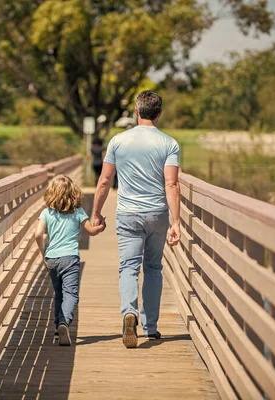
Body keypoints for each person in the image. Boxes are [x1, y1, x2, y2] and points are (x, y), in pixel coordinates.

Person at [91, 90, 181, 349]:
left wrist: (96, 213)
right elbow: (172, 184)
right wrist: (176, 222)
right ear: (159, 113)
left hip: (128, 214)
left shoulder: (118, 141)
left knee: (128, 267)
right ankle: (150, 327)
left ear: (136, 111)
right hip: (157, 214)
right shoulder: (169, 143)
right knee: (153, 268)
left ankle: (129, 314)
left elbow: (105, 180)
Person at [34, 175, 106, 346]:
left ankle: (58, 329)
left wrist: (43, 253)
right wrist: (101, 226)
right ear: (74, 193)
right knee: (71, 294)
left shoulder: (46, 213)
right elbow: (91, 231)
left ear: (51, 193)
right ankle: (64, 322)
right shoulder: (78, 211)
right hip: (70, 259)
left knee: (58, 293)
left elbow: (37, 234)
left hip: (51, 259)